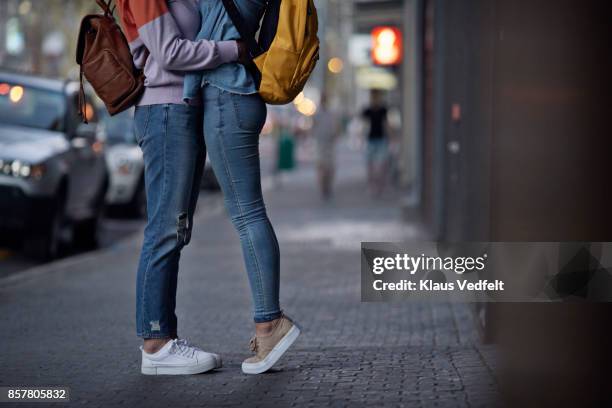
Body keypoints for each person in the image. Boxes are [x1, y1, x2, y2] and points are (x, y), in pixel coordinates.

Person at [116, 0, 250, 375]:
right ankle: (156, 343)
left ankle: (162, 338)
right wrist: (231, 50)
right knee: (164, 230)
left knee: (175, 230)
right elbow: (170, 53)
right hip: (163, 112)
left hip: (181, 109)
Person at [183, 0, 300, 375]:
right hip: (239, 95)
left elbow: (205, 38)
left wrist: (188, 91)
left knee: (248, 216)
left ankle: (270, 325)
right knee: (251, 214)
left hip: (225, 98)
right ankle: (269, 323)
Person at [362, 89, 391, 195]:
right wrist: (361, 138)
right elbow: (363, 125)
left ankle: (380, 185)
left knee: (382, 165)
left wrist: (390, 137)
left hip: (381, 139)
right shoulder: (367, 110)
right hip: (370, 139)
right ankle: (371, 185)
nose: (375, 99)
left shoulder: (383, 110)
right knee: (370, 165)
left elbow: (386, 124)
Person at [312, 94, 340, 200]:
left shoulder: (331, 113)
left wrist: (335, 135)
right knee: (321, 167)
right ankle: (323, 188)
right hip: (320, 143)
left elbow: (336, 127)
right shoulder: (317, 113)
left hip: (329, 143)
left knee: (330, 168)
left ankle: (328, 186)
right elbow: (313, 127)